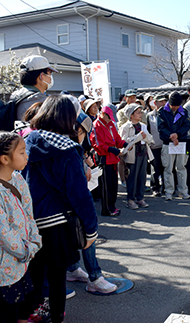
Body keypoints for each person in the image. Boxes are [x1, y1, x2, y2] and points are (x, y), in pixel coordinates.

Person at [22, 95, 98, 323]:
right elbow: (79, 194)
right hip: (57, 222)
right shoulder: (67, 148)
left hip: (29, 220)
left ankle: (31, 314)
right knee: (57, 277)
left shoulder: (27, 140)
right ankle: (56, 317)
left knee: (33, 273)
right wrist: (91, 229)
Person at [0, 132, 42, 323]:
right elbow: (0, 233)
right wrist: (27, 249)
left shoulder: (18, 178)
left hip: (20, 262)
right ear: (5, 159)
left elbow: (29, 214)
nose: (26, 156)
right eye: (21, 152)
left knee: (21, 309)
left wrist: (34, 240)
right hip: (2, 266)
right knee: (5, 314)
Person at [65, 113, 118, 295]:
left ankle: (73, 269)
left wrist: (86, 165)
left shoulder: (62, 145)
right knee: (88, 235)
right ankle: (94, 277)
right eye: (83, 133)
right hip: (70, 203)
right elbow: (77, 189)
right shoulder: (69, 149)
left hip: (61, 205)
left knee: (74, 235)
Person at [90, 106, 127, 216]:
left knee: (113, 185)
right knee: (106, 186)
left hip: (113, 157)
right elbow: (97, 145)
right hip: (104, 158)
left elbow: (117, 138)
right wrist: (111, 149)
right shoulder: (96, 125)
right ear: (103, 114)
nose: (110, 119)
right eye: (109, 117)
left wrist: (124, 144)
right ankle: (107, 209)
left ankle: (112, 206)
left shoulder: (110, 124)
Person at [119, 104, 154, 209]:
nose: (140, 114)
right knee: (132, 177)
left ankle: (140, 198)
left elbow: (150, 139)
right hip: (132, 154)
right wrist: (137, 137)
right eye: (138, 112)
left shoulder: (143, 125)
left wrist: (146, 137)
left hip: (143, 152)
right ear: (131, 115)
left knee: (142, 176)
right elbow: (123, 141)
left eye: (140, 112)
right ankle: (130, 199)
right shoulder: (125, 126)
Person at [158, 92, 190, 201]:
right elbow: (161, 127)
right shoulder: (162, 112)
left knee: (181, 167)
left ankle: (183, 191)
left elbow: (186, 125)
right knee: (168, 168)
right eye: (173, 105)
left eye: (177, 105)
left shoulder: (184, 112)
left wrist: (177, 135)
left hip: (181, 142)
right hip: (168, 143)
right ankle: (168, 191)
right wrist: (171, 136)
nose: (175, 107)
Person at [11, 55, 58, 121]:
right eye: (49, 72)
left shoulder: (15, 95)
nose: (51, 76)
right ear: (42, 76)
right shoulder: (42, 101)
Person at [147, 95, 166, 197]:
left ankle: (166, 187)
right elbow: (147, 130)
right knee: (155, 168)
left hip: (166, 145)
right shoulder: (149, 115)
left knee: (166, 167)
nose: (163, 103)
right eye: (160, 102)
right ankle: (155, 188)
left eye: (164, 101)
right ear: (155, 103)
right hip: (154, 145)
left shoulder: (167, 114)